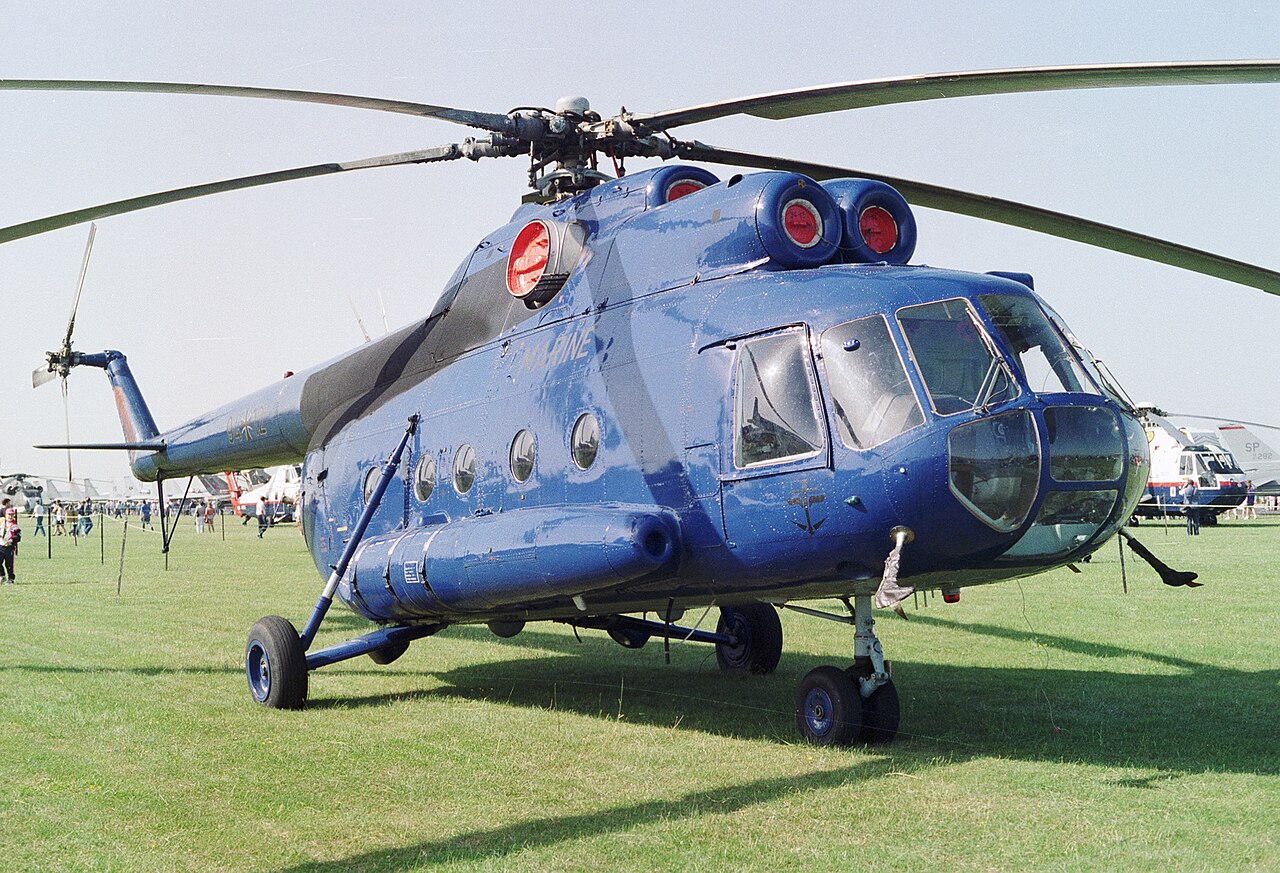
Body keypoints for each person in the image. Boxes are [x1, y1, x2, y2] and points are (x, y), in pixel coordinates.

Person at [0, 501, 20, 583]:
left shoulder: (14, 525)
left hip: (9, 547)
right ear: (5, 515)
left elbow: (18, 536)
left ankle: (11, 578)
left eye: (12, 515)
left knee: (9, 564)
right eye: (9, 514)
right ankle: (2, 575)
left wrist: (11, 541)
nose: (10, 516)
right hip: (0, 545)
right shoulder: (1, 522)